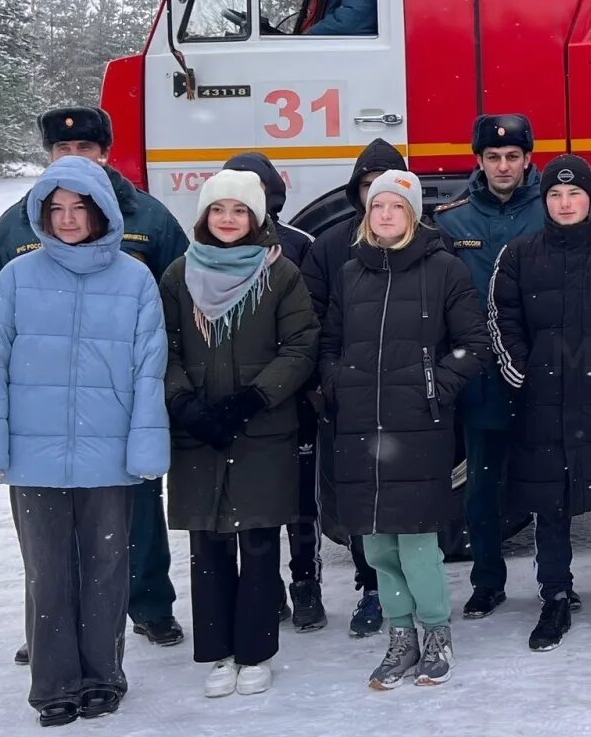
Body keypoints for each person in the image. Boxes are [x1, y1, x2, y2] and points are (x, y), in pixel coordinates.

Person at [0, 107, 187, 659]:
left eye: (86, 150)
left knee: (135, 508)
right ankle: (50, 629)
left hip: (116, 399)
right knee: (47, 534)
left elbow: (179, 303)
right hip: (45, 406)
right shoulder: (18, 221)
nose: (74, 160)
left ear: (106, 154)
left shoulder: (150, 217)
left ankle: (150, 606)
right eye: (63, 152)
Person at [321, 170, 491, 690]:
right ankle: (401, 637)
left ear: (414, 213)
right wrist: (338, 386)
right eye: (378, 207)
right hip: (361, 428)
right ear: (367, 216)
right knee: (377, 547)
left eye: (397, 206)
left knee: (417, 544)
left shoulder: (444, 269)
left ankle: (436, 633)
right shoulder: (350, 274)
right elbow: (329, 343)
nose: (387, 214)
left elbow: (474, 343)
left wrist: (433, 386)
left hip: (418, 426)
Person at [160, 171, 320, 698]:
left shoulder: (281, 275)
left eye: (239, 211)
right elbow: (163, 347)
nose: (227, 220)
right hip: (198, 432)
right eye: (218, 210)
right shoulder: (179, 275)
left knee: (256, 540)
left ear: (257, 218)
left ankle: (255, 651)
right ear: (204, 217)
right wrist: (184, 401)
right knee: (207, 544)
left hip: (261, 429)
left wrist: (254, 398)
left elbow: (299, 346)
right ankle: (218, 652)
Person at [489, 154, 591, 650]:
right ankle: (555, 598)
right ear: (544, 201)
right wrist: (521, 371)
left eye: (575, 194)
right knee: (551, 508)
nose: (565, 203)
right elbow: (502, 318)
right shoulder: (518, 255)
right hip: (541, 402)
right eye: (556, 195)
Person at [432, 114, 546, 621]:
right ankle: (487, 582)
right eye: (493, 157)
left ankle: (555, 583)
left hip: (543, 372)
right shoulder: (451, 220)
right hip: (482, 376)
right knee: (480, 486)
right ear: (478, 160)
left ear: (527, 159)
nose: (503, 166)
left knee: (550, 484)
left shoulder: (554, 209)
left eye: (513, 157)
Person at [299, 137, 408, 637]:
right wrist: (329, 379)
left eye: (387, 186)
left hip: (410, 399)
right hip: (351, 398)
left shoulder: (431, 241)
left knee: (412, 500)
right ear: (356, 190)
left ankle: (412, 589)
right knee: (360, 500)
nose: (376, 198)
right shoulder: (329, 246)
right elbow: (313, 320)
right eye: (368, 186)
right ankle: (371, 586)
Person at [223, 151, 325, 632]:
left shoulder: (302, 246)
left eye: (258, 192)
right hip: (236, 400)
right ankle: (265, 591)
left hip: (294, 395)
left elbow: (315, 322)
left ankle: (306, 584)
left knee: (303, 501)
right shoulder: (207, 250)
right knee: (251, 502)